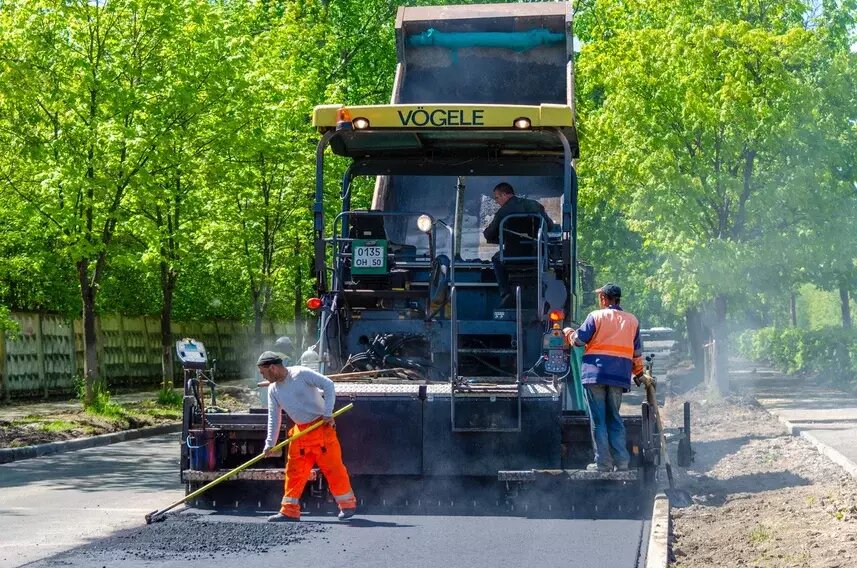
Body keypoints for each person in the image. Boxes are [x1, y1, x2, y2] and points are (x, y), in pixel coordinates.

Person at [257, 351, 357, 522]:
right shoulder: (273, 390)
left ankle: (347, 506)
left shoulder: (301, 374)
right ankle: (289, 511)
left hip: (321, 429)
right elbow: (274, 418)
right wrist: (270, 444)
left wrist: (328, 413)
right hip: (300, 434)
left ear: (272, 368)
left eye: (263, 372)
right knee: (294, 472)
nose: (263, 376)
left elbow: (329, 384)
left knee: (334, 470)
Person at [563, 284, 643, 472]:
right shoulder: (632, 321)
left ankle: (603, 464)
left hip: (595, 375)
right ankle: (622, 462)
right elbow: (637, 354)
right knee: (614, 418)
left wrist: (567, 333)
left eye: (600, 297)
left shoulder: (596, 316)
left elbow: (578, 341)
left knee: (599, 420)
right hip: (619, 376)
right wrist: (639, 373)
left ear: (605, 299)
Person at [483, 182, 555, 308]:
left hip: (512, 256)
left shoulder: (503, 212)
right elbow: (549, 226)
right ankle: (544, 291)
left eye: (497, 198)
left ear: (505, 195)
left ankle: (505, 292)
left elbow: (489, 234)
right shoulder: (535, 205)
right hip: (537, 255)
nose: (496, 201)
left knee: (496, 258)